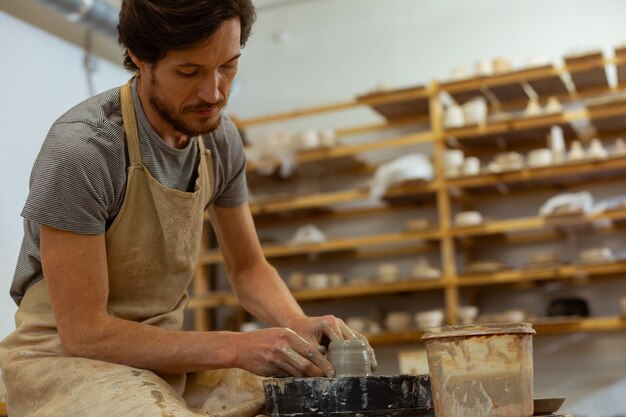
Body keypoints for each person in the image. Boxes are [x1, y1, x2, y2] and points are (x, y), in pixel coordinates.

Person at [0, 1, 376, 416]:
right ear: (141, 58)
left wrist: (295, 323)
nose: (213, 93)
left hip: (163, 362)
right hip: (61, 364)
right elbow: (85, 334)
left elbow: (249, 268)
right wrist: (234, 346)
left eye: (228, 67)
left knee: (299, 399)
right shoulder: (84, 150)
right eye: (189, 72)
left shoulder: (219, 140)